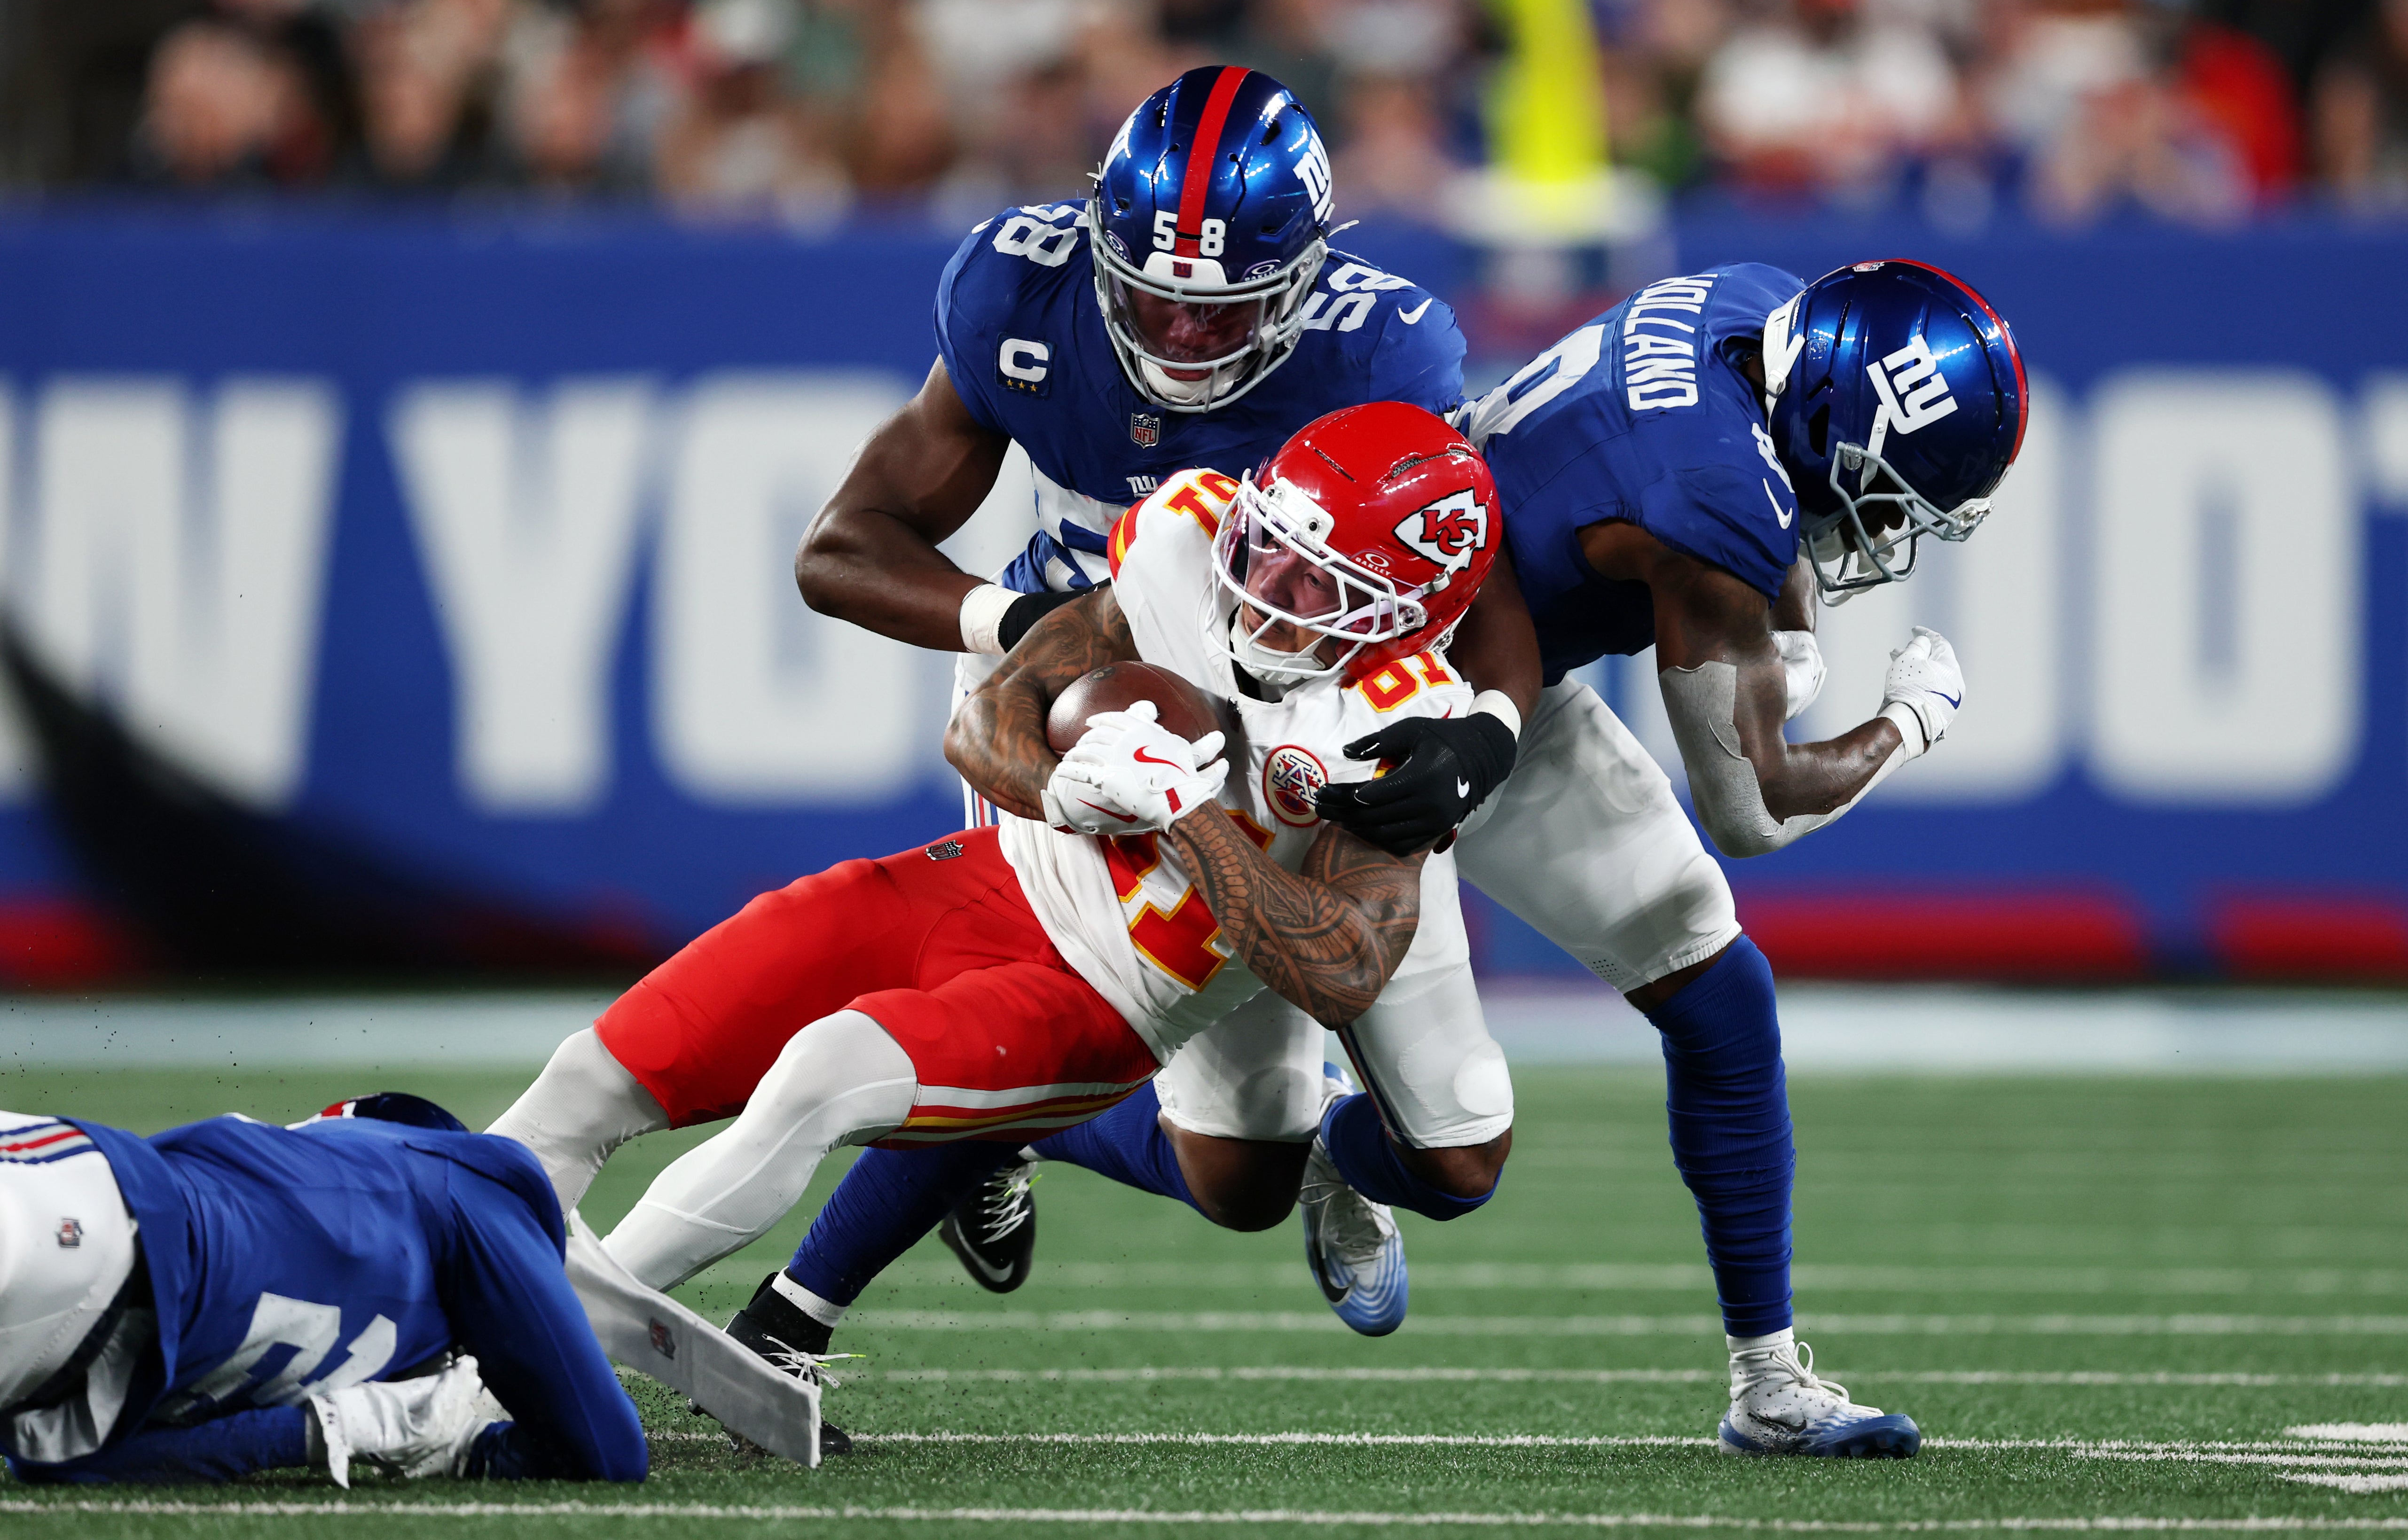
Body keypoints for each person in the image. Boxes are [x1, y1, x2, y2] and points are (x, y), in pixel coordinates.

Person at [794, 259, 2025, 1462]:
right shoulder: (1710, 503)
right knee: (1214, 1128)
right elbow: (1753, 800)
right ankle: (868, 1245)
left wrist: (1775, 624)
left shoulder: (1752, 304)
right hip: (1372, 713)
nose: (1886, 530)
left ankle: (1767, 1381)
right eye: (1889, 496)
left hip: (1496, 681)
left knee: (1690, 1004)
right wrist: (1907, 719)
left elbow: (1747, 536)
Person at [489, 402, 1504, 1451]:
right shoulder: (1185, 545)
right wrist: (1067, 783)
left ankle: (512, 1360)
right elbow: (986, 720)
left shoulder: (1396, 728)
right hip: (976, 878)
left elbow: (1342, 972)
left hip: (1096, 995)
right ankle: (413, 1275)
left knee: (823, 1073)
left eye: (1315, 585)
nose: (1262, 595)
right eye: (1267, 550)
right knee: (595, 1070)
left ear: (1405, 615)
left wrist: (1189, 820)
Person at [786, 62, 1539, 1338]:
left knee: (1264, 1178)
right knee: (1022, 1018)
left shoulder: (1380, 348)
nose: (1183, 338)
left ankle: (1264, 1154)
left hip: (1304, 713)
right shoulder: (1020, 297)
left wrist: (1484, 728)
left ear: (1304, 275)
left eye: (1223, 312)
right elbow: (843, 545)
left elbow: (1489, 573)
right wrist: (1023, 627)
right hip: (1086, 702)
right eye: (1152, 301)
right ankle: (794, 1314)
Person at [0, 1093, 647, 1486]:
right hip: (105, 1232)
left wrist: (353, 1426)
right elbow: (609, 1453)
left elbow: (64, 1460)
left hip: (93, 1253)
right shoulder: (469, 1189)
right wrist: (444, 1438)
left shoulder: (335, 1169)